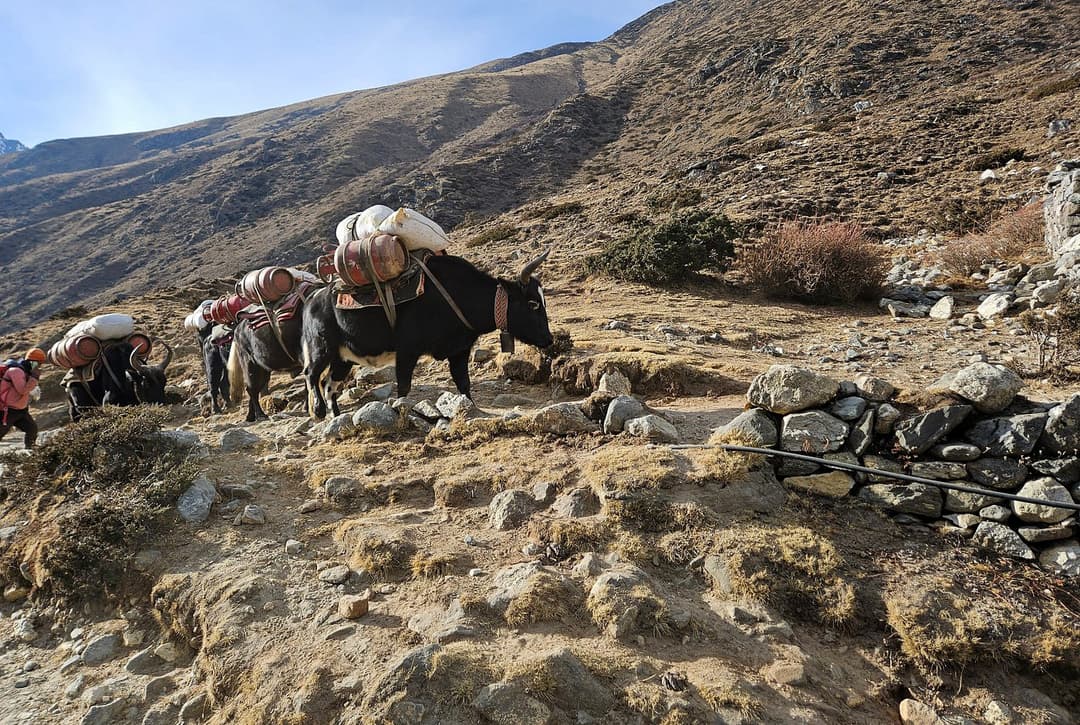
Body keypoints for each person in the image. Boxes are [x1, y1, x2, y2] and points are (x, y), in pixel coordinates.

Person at [0, 348, 45, 449]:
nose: (39, 366)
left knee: (32, 430)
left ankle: (30, 451)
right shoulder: (16, 371)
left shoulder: (26, 372)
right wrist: (34, 378)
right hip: (7, 411)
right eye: (38, 363)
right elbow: (22, 390)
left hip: (21, 411)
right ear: (31, 361)